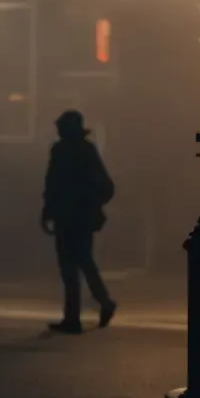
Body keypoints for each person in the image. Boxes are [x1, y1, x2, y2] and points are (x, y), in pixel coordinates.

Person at [40, 109, 117, 334]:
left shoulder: (60, 151)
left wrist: (48, 211)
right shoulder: (87, 150)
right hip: (82, 217)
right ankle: (100, 303)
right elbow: (106, 186)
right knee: (84, 261)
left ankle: (75, 317)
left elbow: (52, 185)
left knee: (69, 267)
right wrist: (92, 205)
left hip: (66, 217)